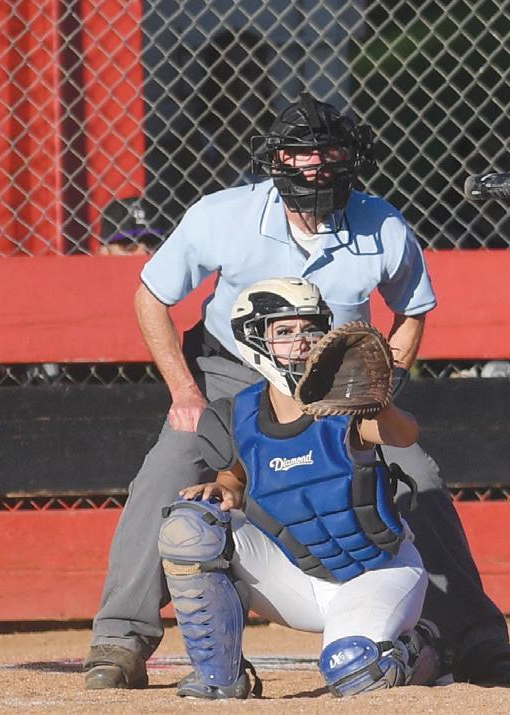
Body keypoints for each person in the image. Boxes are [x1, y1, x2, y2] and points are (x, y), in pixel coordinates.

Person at [84, 93, 510, 690]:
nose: (315, 165)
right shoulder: (223, 215)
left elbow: (413, 308)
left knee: (418, 476)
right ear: (276, 159)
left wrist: (384, 383)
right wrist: (185, 392)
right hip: (230, 372)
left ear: (352, 158)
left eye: (330, 153)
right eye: (300, 153)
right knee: (169, 469)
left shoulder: (382, 223)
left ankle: (476, 639)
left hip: (333, 383)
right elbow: (151, 296)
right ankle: (120, 638)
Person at [159, 277, 437, 698]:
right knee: (189, 529)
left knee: (356, 670)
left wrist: (379, 404)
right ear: (254, 339)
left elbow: (404, 435)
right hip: (296, 577)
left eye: (310, 328)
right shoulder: (241, 412)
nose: (302, 340)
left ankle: (422, 650)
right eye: (285, 331)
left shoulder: (346, 398)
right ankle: (219, 678)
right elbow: (236, 476)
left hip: (375, 572)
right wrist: (223, 488)